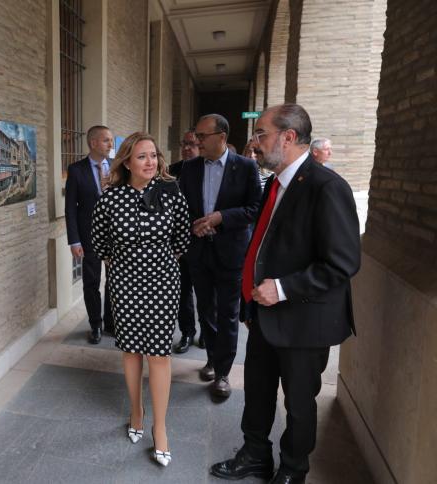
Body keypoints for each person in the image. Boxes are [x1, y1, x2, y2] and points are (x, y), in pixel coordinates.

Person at [210, 104, 360, 484]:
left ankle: (293, 469)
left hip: (304, 320)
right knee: (257, 391)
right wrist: (251, 299)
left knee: (298, 403)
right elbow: (263, 246)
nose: (254, 143)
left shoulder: (328, 188)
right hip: (264, 315)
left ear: (288, 137)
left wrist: (282, 288)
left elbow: (342, 263)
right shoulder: (275, 183)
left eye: (261, 134)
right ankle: (255, 454)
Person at [91, 132, 191, 467]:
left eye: (154, 155)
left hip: (162, 283)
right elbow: (99, 241)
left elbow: (182, 238)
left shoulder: (172, 193)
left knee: (159, 355)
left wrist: (155, 264)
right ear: (127, 162)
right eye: (142, 157)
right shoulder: (110, 199)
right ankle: (136, 411)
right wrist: (123, 267)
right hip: (124, 284)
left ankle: (160, 428)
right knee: (131, 350)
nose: (150, 162)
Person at [177, 114, 261, 399]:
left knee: (228, 314)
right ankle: (212, 358)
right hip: (199, 253)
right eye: (196, 137)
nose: (197, 142)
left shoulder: (247, 167)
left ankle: (223, 372)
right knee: (206, 311)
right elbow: (181, 208)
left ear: (222, 137)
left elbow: (255, 209)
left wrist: (220, 217)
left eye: (202, 136)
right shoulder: (189, 169)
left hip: (231, 253)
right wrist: (191, 225)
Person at [65, 125, 115, 344]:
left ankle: (111, 322)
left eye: (111, 140)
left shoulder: (117, 168)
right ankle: (95, 324)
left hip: (116, 237)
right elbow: (70, 209)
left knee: (115, 280)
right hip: (89, 237)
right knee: (91, 282)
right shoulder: (76, 170)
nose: (111, 144)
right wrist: (74, 240)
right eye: (106, 140)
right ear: (93, 143)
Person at [169, 131, 204, 352]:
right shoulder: (172, 171)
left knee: (207, 292)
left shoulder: (207, 169)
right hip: (177, 244)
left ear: (200, 146)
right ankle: (187, 333)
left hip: (202, 242)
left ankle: (207, 334)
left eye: (191, 144)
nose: (186, 148)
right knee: (182, 292)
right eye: (184, 143)